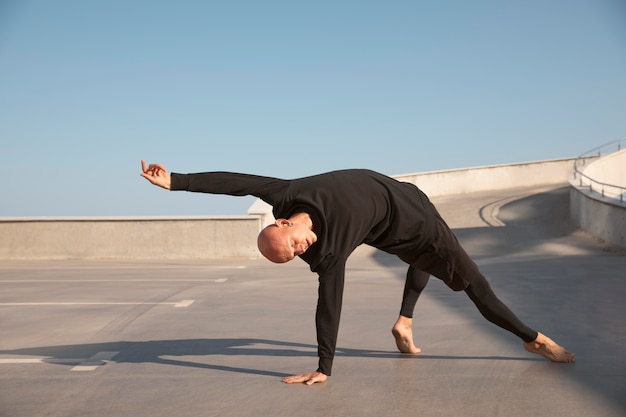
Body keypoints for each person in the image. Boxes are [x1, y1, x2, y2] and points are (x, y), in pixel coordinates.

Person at [140, 160, 575, 385]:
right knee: (468, 282)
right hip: (401, 228)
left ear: (282, 222)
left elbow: (235, 182)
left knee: (454, 276)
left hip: (413, 207)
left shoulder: (285, 195)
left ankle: (406, 323)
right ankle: (536, 340)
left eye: (293, 245)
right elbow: (329, 304)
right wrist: (324, 367)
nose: (301, 250)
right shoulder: (327, 252)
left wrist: (176, 180)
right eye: (293, 257)